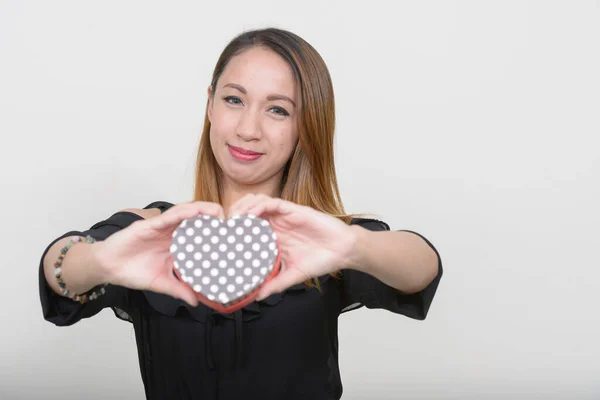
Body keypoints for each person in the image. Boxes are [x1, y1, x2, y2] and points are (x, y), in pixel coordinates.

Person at [39, 27, 443, 400]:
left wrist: (356, 246)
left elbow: (421, 266)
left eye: (278, 110)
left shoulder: (319, 239)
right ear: (210, 105)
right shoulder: (154, 232)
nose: (249, 128)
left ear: (306, 125)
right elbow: (61, 268)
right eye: (234, 99)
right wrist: (99, 261)